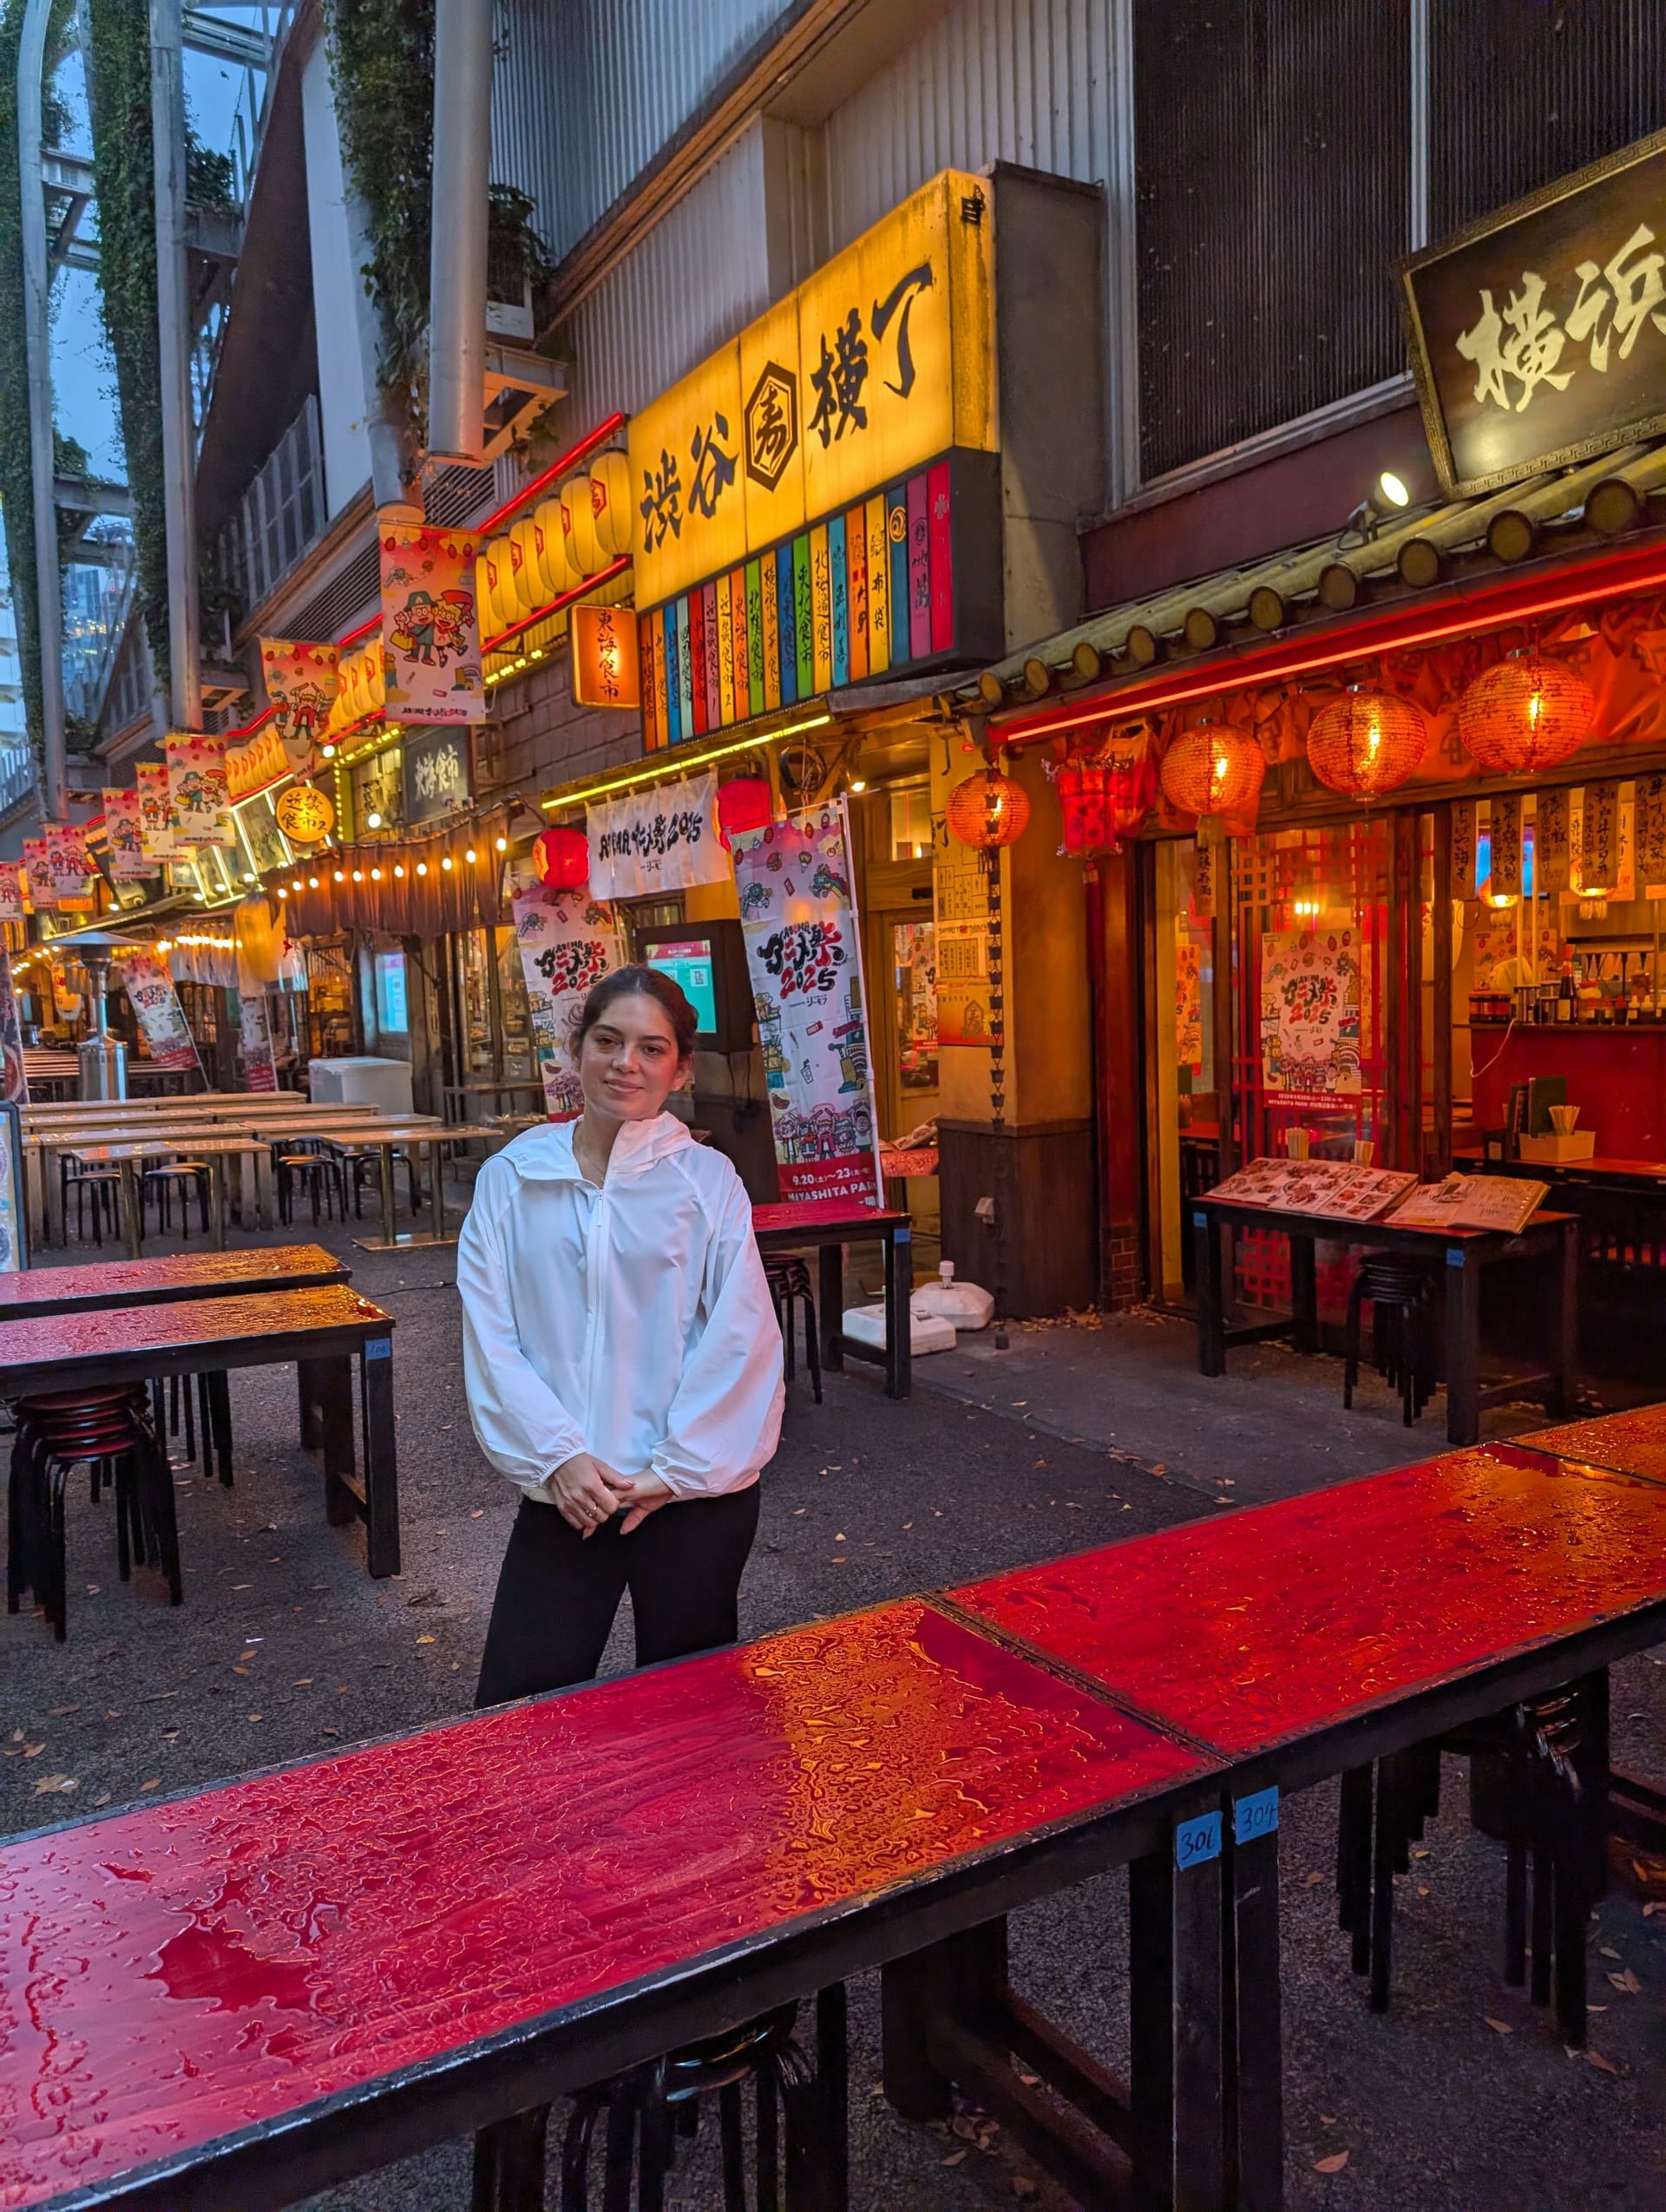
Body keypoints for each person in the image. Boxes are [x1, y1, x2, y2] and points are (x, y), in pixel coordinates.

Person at [459, 964, 784, 1705]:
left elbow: (741, 1334)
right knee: (521, 1708)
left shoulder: (707, 1181)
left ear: (681, 1067)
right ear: (576, 1049)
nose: (625, 1064)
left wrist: (673, 1471)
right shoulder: (513, 1179)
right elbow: (491, 1335)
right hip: (570, 1490)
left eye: (651, 1048)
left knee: (689, 1718)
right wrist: (559, 1457)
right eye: (607, 1041)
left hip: (691, 1493)